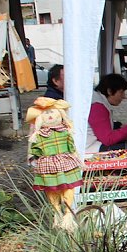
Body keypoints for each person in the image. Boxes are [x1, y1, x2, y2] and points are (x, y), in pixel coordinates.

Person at [25, 97, 83, 230]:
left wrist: (75, 156)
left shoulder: (65, 132)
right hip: (48, 165)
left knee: (68, 187)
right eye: (46, 113)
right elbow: (35, 150)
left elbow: (71, 146)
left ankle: (67, 213)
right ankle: (57, 211)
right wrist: (34, 159)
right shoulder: (39, 135)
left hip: (65, 163)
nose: (50, 116)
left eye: (52, 112)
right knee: (52, 189)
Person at [86, 73, 127, 153]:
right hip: (91, 147)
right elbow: (108, 139)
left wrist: (126, 132)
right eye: (121, 92)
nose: (124, 96)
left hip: (97, 141)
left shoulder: (99, 101)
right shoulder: (98, 107)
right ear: (109, 91)